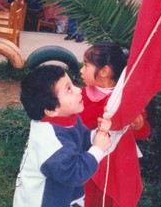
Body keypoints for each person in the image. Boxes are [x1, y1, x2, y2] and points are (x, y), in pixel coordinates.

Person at [13, 65, 114, 207]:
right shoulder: (49, 141)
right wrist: (97, 149)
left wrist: (97, 135)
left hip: (61, 194)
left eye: (72, 85)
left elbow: (83, 140)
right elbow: (74, 173)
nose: (79, 90)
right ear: (50, 110)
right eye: (68, 90)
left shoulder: (69, 119)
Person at [79, 42, 151, 206]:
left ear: (104, 71)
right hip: (92, 159)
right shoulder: (81, 96)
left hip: (119, 165)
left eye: (86, 65)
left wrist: (139, 126)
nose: (81, 70)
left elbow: (143, 132)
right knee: (89, 198)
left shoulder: (126, 99)